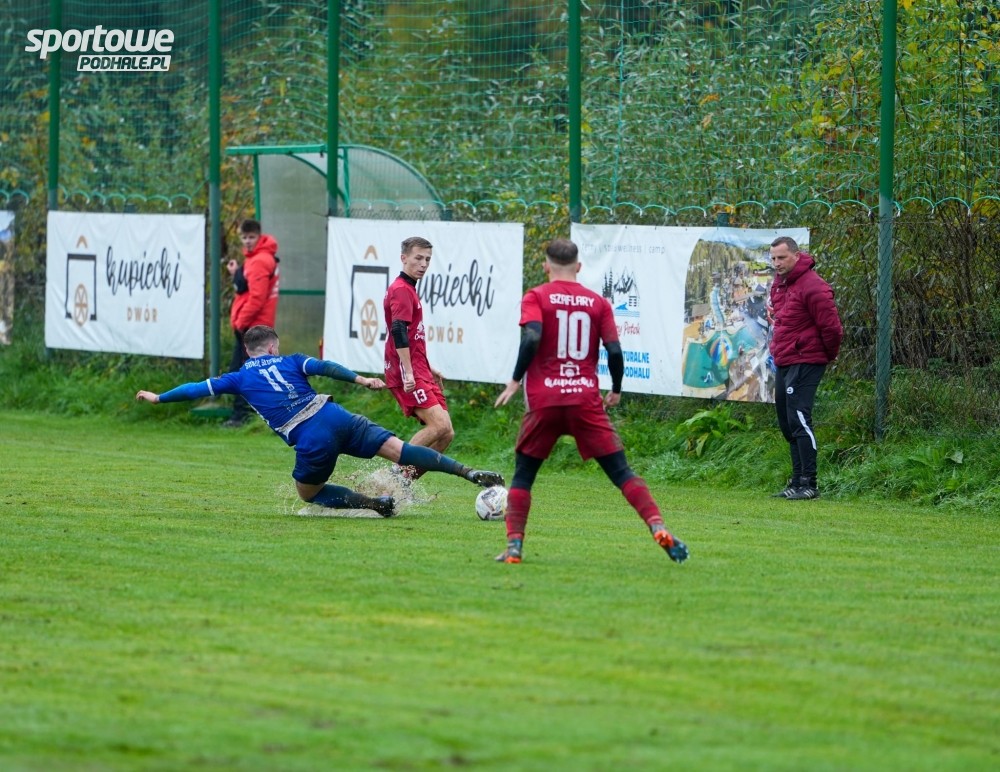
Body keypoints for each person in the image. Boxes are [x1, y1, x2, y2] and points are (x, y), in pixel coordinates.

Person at [135, 325, 504, 516]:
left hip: (310, 436)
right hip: (336, 414)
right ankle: (468, 472)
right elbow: (326, 367)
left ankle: (375, 504)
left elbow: (195, 388)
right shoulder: (292, 360)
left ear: (248, 351)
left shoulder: (238, 377)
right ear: (273, 346)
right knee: (400, 450)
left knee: (308, 493)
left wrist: (159, 397)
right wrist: (360, 379)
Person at [492, 238, 688, 565]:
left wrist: (515, 380)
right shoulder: (598, 303)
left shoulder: (536, 296)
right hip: (584, 399)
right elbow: (615, 351)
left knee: (524, 475)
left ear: (546, 266)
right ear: (579, 267)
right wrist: (617, 389)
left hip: (545, 400)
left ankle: (514, 547)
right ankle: (657, 525)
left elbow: (532, 336)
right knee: (622, 472)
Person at [767, 236, 843, 500]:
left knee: (799, 418)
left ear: (796, 256)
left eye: (782, 257)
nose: (777, 263)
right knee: (787, 421)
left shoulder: (814, 286)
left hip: (807, 359)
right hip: (785, 359)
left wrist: (825, 355)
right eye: (773, 258)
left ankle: (809, 484)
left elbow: (832, 328)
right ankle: (796, 481)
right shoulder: (780, 284)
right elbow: (784, 320)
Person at [382, 236, 454, 482]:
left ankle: (402, 484)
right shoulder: (401, 289)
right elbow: (399, 330)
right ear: (404, 258)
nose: (423, 264)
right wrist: (410, 371)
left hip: (418, 368)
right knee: (439, 426)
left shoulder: (409, 289)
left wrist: (427, 367)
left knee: (446, 433)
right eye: (418, 258)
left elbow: (413, 336)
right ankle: (392, 475)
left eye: (427, 260)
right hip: (406, 370)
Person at [225, 219, 280, 428]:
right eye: (244, 237)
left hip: (253, 326)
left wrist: (240, 322)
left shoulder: (259, 261)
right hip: (254, 324)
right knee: (251, 371)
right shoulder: (257, 258)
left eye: (251, 237)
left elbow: (257, 298)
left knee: (244, 372)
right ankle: (249, 415)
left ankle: (242, 416)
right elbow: (248, 288)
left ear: (259, 236)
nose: (247, 241)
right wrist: (236, 274)